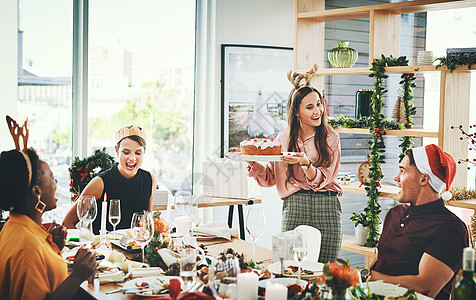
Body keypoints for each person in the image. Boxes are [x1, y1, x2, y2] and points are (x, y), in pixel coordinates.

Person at [243, 65, 343, 263]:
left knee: (325, 269)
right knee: (288, 265)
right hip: (295, 205)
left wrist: (306, 164)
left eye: (319, 104)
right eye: (310, 107)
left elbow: (325, 177)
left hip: (327, 205)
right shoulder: (283, 138)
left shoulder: (331, 137)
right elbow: (271, 177)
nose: (318, 111)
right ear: (296, 112)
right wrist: (253, 163)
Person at [370, 144, 469, 300]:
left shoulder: (451, 229)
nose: (396, 178)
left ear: (424, 178)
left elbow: (425, 288)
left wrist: (369, 279)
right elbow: (381, 261)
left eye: (402, 171)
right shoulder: (394, 214)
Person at [0, 148, 97, 300]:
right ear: (36, 191)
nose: (56, 182)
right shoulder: (28, 246)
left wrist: (53, 248)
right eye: (51, 178)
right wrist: (77, 277)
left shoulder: (14, 224)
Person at [63, 125, 156, 234]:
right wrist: (91, 243)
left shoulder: (150, 179)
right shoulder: (100, 182)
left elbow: (148, 225)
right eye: (126, 152)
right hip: (104, 249)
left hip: (137, 248)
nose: (132, 158)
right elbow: (67, 223)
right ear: (117, 150)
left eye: (138, 153)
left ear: (144, 151)